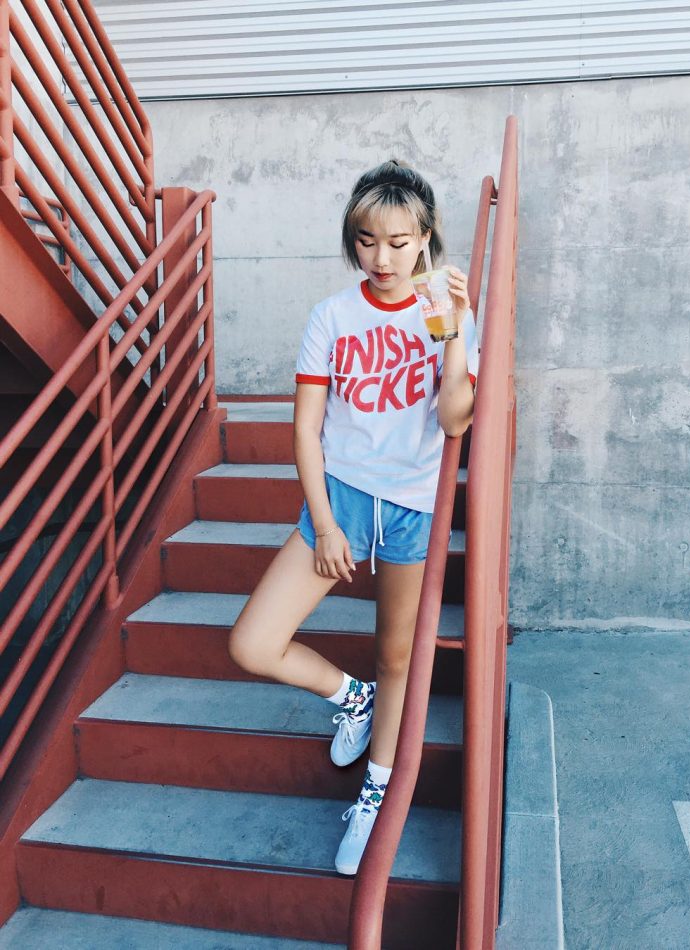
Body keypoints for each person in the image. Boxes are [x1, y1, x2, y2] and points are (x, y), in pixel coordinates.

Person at [228, 159, 479, 875]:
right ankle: (351, 698)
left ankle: (375, 794)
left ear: (425, 238)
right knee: (252, 643)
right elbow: (306, 428)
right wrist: (326, 523)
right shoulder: (332, 317)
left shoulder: (445, 311)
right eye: (367, 241)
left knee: (398, 657)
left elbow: (455, 418)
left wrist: (456, 333)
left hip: (411, 506)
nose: (382, 258)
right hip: (339, 497)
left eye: (399, 242)